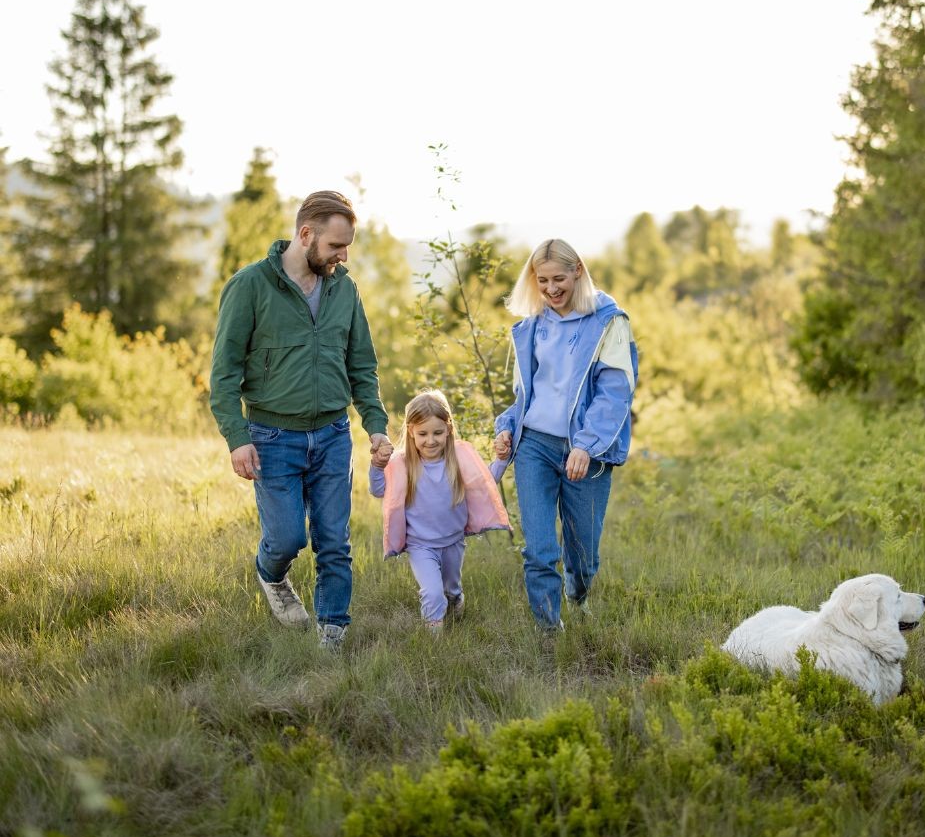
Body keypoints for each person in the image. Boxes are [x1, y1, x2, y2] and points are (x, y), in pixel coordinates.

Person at [209, 190, 393, 650]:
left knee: (334, 541)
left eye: (347, 245)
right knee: (288, 537)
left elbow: (362, 367)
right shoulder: (249, 287)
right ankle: (271, 575)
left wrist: (375, 425)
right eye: (335, 246)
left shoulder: (344, 289)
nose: (342, 256)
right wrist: (237, 437)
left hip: (332, 435)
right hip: (272, 437)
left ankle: (332, 634)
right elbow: (225, 373)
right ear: (305, 234)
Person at [494, 239, 638, 631]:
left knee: (583, 554)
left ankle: (578, 593)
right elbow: (528, 396)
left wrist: (586, 445)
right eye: (542, 281)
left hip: (585, 450)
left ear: (578, 271)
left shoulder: (609, 321)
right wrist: (507, 426)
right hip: (535, 447)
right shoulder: (533, 326)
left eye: (559, 278)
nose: (551, 288)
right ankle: (548, 632)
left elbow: (615, 392)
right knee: (540, 550)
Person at [369, 390, 510, 633]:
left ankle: (455, 602)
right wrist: (377, 466)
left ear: (448, 430)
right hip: (420, 544)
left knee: (450, 590)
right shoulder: (402, 464)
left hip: (453, 541)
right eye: (423, 433)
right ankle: (434, 641)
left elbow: (485, 480)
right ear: (411, 431)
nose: (430, 440)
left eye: (437, 433)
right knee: (432, 593)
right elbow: (379, 489)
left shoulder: (457, 459)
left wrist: (501, 459)